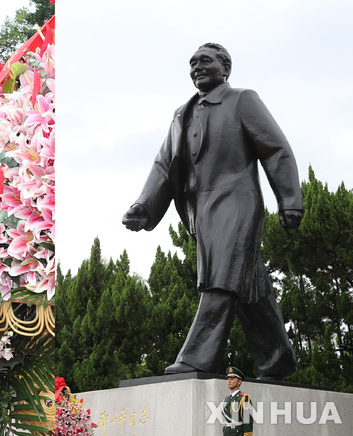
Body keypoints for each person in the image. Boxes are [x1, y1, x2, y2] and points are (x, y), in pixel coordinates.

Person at [122, 43, 302, 380]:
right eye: (191, 64)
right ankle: (277, 356)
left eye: (204, 61)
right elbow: (164, 165)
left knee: (221, 278)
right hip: (200, 210)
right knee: (247, 282)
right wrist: (143, 207)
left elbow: (276, 149)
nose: (196, 68)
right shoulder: (181, 114)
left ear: (225, 68)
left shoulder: (242, 100)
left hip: (237, 201)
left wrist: (290, 199)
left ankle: (197, 358)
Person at [222, 366, 254, 435]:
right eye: (228, 379)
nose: (229, 381)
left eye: (232, 379)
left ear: (239, 382)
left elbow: (247, 421)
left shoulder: (243, 398)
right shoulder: (226, 398)